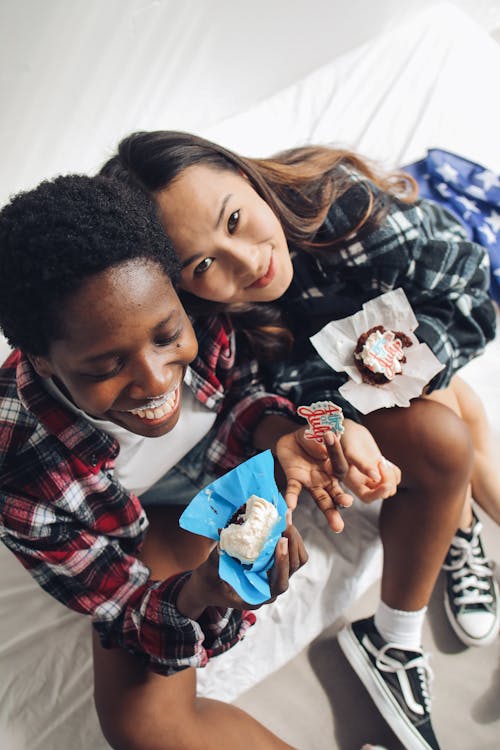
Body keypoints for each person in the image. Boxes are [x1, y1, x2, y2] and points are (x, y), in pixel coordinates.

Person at [100, 130, 499, 750]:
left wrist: (372, 384)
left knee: (446, 415)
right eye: (202, 265)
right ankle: (454, 520)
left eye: (234, 219)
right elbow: (250, 403)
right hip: (290, 423)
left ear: (244, 174)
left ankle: (425, 582)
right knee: (443, 419)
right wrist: (325, 417)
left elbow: (469, 296)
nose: (243, 262)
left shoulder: (340, 210)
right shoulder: (200, 329)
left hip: (365, 380)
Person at [0, 173, 370, 750]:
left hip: (212, 471)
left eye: (167, 335)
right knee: (143, 729)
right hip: (146, 523)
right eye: (104, 367)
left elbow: (240, 391)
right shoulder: (18, 474)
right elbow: (121, 605)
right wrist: (199, 593)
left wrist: (281, 435)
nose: (154, 382)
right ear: (44, 362)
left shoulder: (200, 304)